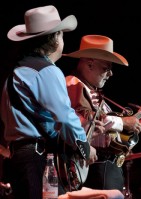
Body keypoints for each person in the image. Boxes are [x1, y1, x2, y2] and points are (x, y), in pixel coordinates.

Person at [0, 5, 98, 199]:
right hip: (37, 157)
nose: (63, 40)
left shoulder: (14, 75)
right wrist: (85, 147)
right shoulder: (47, 71)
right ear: (54, 39)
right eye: (61, 35)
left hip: (17, 158)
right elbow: (65, 117)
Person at [63, 34, 141, 193]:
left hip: (104, 167)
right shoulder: (73, 83)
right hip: (97, 168)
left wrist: (135, 124)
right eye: (106, 68)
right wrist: (123, 122)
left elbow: (107, 135)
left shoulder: (93, 92)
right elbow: (82, 122)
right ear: (90, 64)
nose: (111, 74)